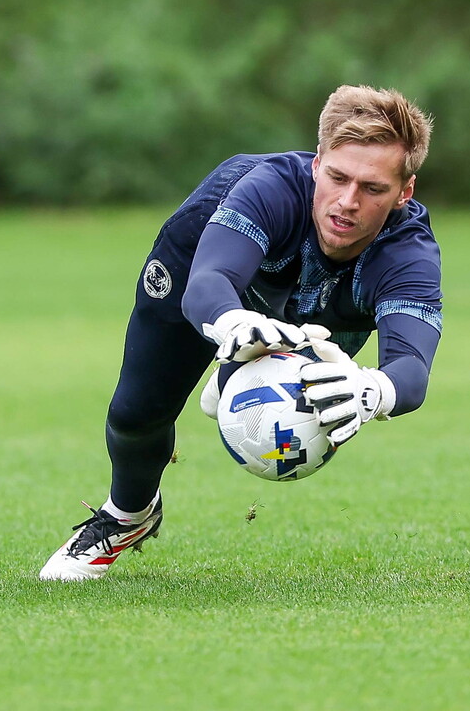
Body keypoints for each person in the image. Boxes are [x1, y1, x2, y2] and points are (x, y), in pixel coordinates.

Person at [39, 84, 442, 581]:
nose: (347, 202)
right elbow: (210, 282)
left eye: (373, 189)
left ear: (405, 192)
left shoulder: (408, 252)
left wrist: (375, 389)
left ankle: (238, 374)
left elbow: (412, 368)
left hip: (318, 309)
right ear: (316, 163)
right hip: (206, 262)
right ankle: (129, 515)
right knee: (135, 413)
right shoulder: (268, 188)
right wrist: (230, 322)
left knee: (331, 388)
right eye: (337, 177)